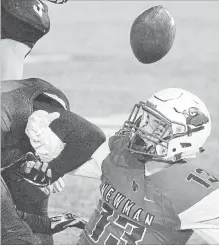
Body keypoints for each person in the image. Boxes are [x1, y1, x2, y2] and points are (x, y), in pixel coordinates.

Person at [74, 88, 219, 245]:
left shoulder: (192, 190)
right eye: (146, 119)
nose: (143, 129)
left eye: (156, 126)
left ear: (183, 139)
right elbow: (74, 161)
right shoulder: (121, 152)